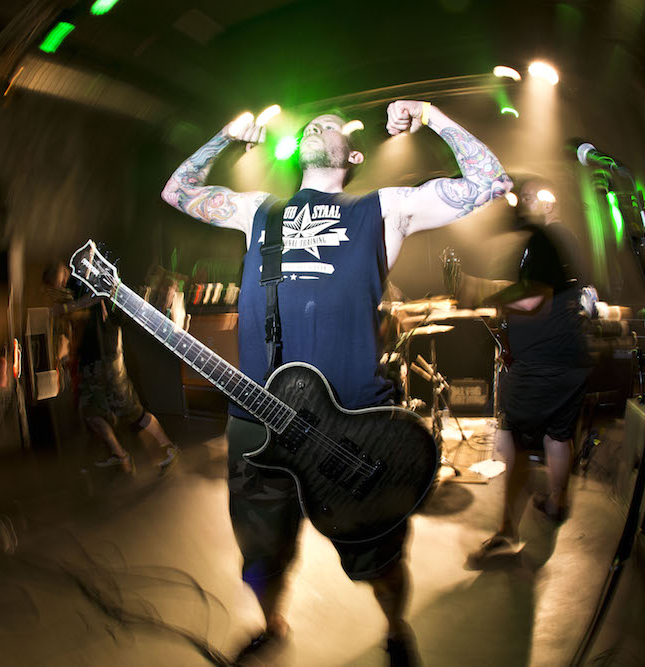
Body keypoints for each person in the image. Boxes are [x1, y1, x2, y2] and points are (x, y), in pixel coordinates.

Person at [162, 100, 512, 664]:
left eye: (330, 125)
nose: (317, 125)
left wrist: (430, 115)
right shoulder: (258, 211)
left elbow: (489, 181)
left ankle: (395, 628)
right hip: (259, 420)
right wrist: (224, 137)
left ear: (353, 156)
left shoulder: (384, 209)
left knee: (378, 557)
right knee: (260, 554)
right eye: (312, 123)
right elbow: (177, 191)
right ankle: (272, 622)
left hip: (355, 425)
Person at [463, 178, 592, 567]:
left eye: (524, 199)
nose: (516, 206)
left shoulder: (544, 240)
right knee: (558, 433)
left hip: (543, 365)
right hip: (570, 361)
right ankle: (556, 503)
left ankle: (507, 534)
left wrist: (486, 295)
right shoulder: (557, 241)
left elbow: (535, 298)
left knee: (514, 441)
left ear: (542, 203)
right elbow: (542, 289)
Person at [44, 262, 179, 477]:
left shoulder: (83, 277)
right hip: (90, 359)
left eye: (56, 282)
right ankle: (120, 454)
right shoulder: (70, 289)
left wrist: (69, 309)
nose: (58, 286)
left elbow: (101, 294)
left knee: (131, 411)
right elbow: (82, 318)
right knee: (89, 412)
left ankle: (168, 447)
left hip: (107, 354)